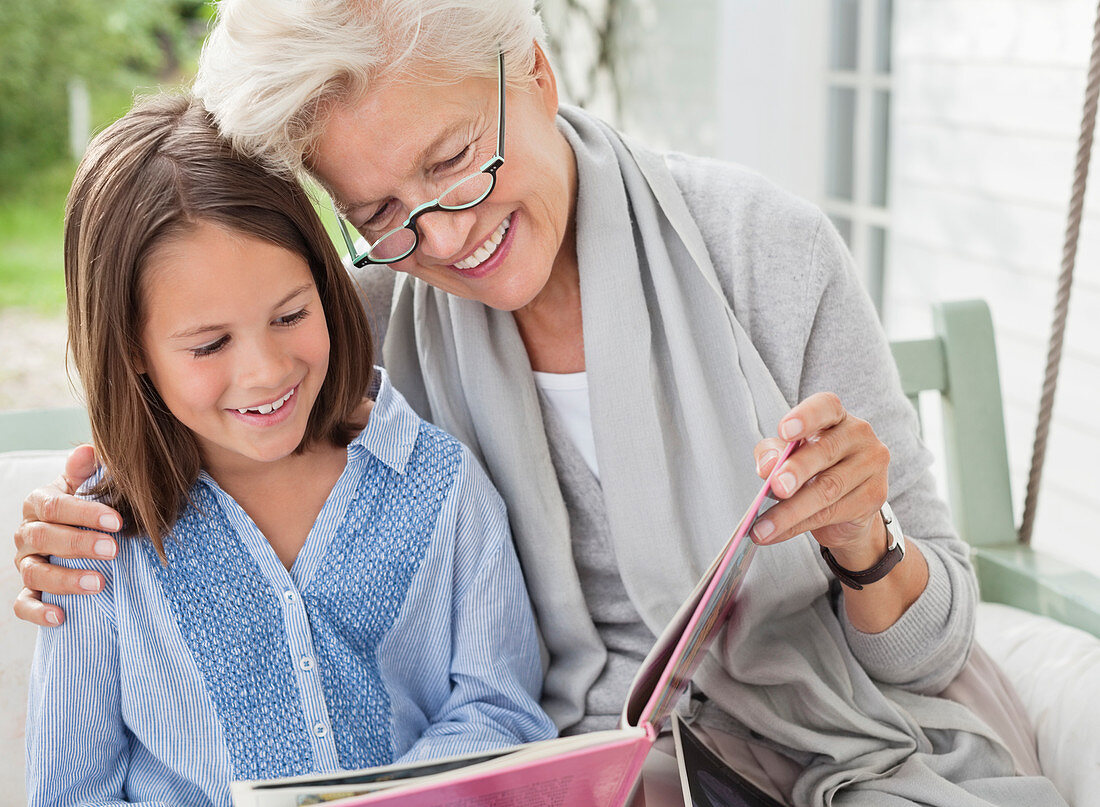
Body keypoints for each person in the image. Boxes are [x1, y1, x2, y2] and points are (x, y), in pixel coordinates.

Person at [14, 2, 1068, 805]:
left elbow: (928, 650)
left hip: (832, 749)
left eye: (454, 160)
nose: (442, 235)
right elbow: (199, 338)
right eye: (379, 211)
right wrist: (98, 498)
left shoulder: (759, 250)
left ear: (533, 68)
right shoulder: (352, 337)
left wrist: (858, 538)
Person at [23, 93, 556, 807]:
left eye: (290, 315)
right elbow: (70, 791)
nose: (267, 371)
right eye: (210, 344)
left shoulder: (443, 487)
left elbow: (503, 713)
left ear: (327, 286)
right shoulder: (96, 549)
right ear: (132, 349)